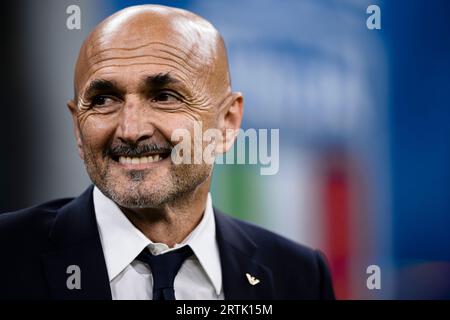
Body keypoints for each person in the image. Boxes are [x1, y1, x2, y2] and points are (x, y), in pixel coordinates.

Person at [0, 5, 335, 300]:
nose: (131, 130)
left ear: (227, 122)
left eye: (164, 96)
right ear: (77, 126)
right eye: (103, 100)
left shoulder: (299, 277)